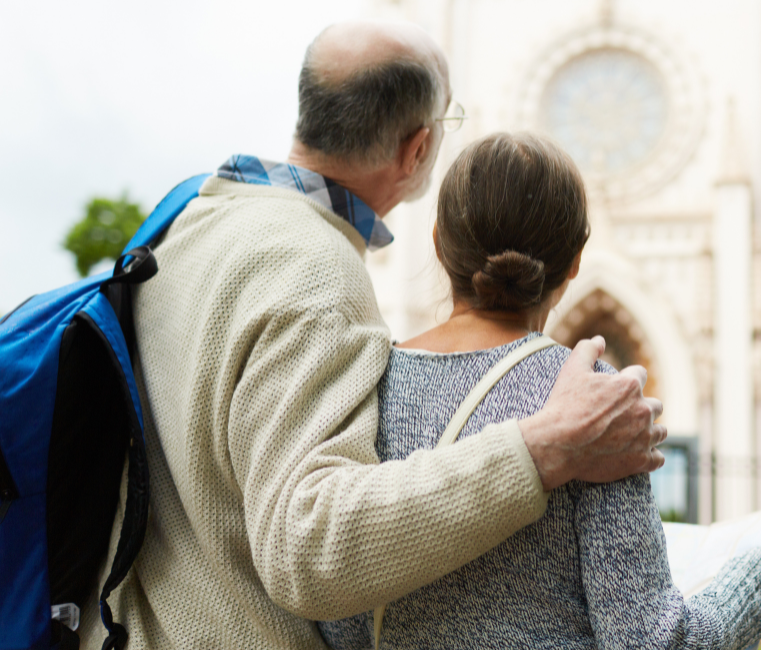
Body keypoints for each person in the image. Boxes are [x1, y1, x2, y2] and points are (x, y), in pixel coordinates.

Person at [77, 21, 666, 650]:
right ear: (416, 152)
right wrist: (545, 446)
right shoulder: (316, 271)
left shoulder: (189, 225)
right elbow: (307, 545)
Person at [317, 132, 761, 650]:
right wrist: (755, 585)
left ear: (437, 241)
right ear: (574, 262)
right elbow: (651, 643)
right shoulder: (596, 403)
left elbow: (336, 611)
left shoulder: (367, 384)